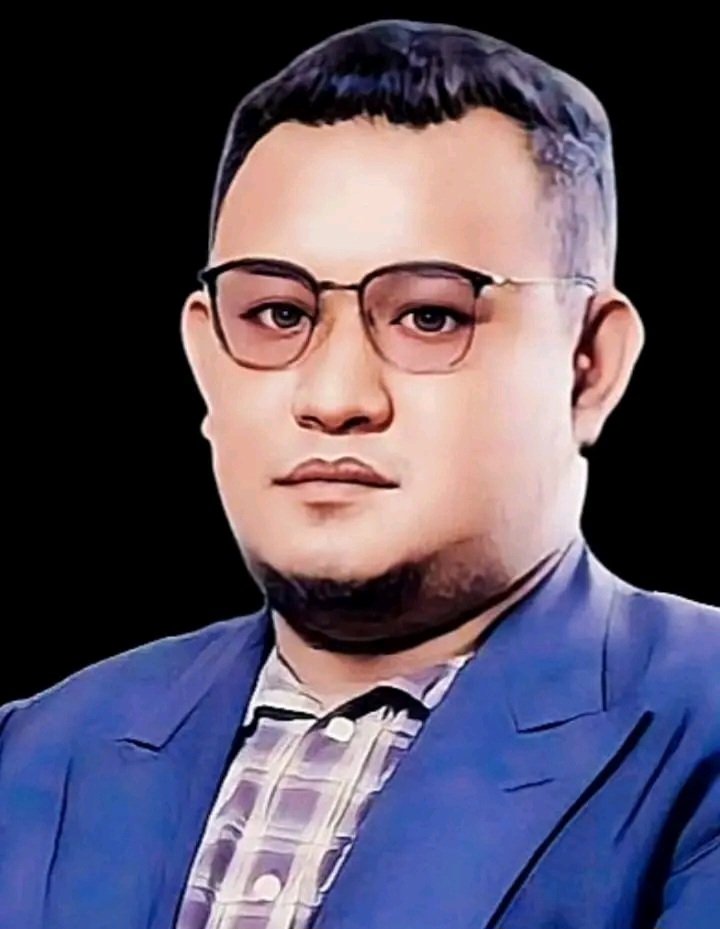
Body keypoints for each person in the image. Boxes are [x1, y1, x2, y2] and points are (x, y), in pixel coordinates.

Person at [1, 18, 717, 929]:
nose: (334, 396)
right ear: (204, 358)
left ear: (589, 364)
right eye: (277, 313)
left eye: (428, 316)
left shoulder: (701, 726)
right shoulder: (34, 754)